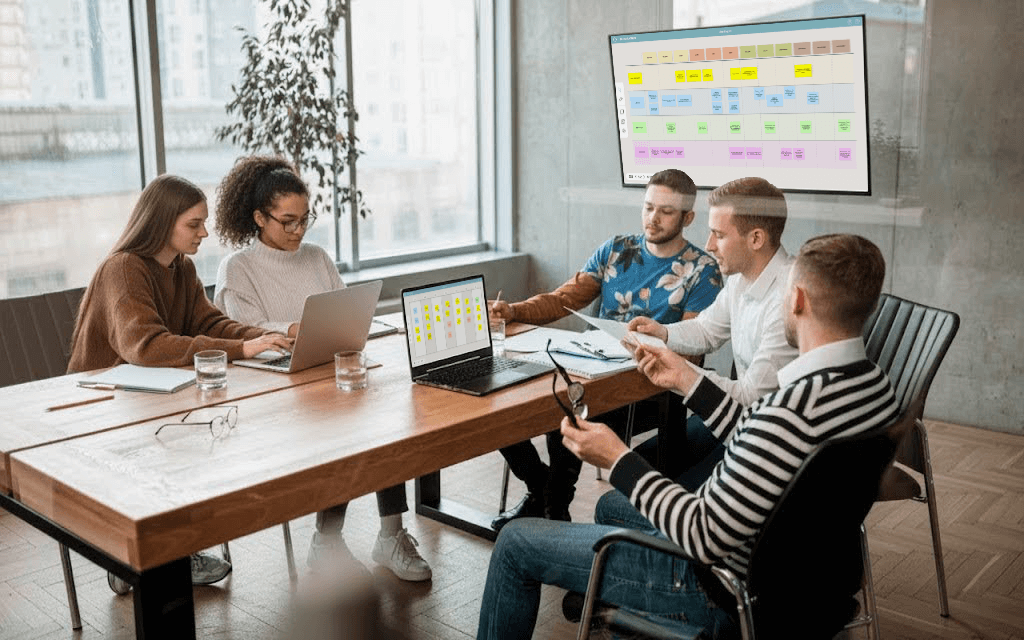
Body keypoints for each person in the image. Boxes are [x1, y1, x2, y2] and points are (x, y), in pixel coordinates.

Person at [476, 233, 900, 639]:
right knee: (612, 507)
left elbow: (701, 533)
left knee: (515, 542)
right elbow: (762, 441)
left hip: (718, 588)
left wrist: (617, 458)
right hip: (802, 577)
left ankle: (639, 607)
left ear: (798, 300)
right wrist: (686, 379)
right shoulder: (876, 390)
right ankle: (621, 610)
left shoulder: (787, 411)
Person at [68, 173, 293, 587]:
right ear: (161, 223)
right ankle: (137, 558)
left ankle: (167, 553)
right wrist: (242, 350)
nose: (204, 232)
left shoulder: (181, 268)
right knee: (190, 444)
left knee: (212, 439)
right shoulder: (123, 268)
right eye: (194, 224)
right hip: (107, 407)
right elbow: (147, 347)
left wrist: (262, 339)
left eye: (203, 223)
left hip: (158, 396)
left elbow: (210, 324)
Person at [213, 155, 431, 582]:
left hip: (329, 374)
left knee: (390, 418)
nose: (298, 231)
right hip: (272, 392)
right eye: (287, 222)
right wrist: (295, 328)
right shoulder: (237, 268)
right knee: (344, 427)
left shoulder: (316, 257)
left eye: (304, 220)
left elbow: (345, 308)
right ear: (259, 218)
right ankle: (326, 541)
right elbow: (243, 330)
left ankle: (390, 534)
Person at [489, 169, 722, 530]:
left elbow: (693, 347)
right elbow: (563, 299)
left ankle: (552, 507)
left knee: (563, 406)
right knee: (502, 400)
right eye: (648, 207)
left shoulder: (703, 270)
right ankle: (542, 489)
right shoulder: (617, 250)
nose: (653, 218)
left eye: (666, 212)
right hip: (590, 369)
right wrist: (513, 311)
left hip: (649, 388)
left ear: (688, 218)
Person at [624, 176, 799, 488]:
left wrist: (680, 372)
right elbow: (706, 329)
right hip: (741, 424)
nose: (708, 245)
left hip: (765, 444)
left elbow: (750, 399)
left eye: (719, 234)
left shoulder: (787, 300)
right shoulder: (742, 277)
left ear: (756, 239)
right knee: (639, 464)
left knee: (638, 481)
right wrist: (663, 333)